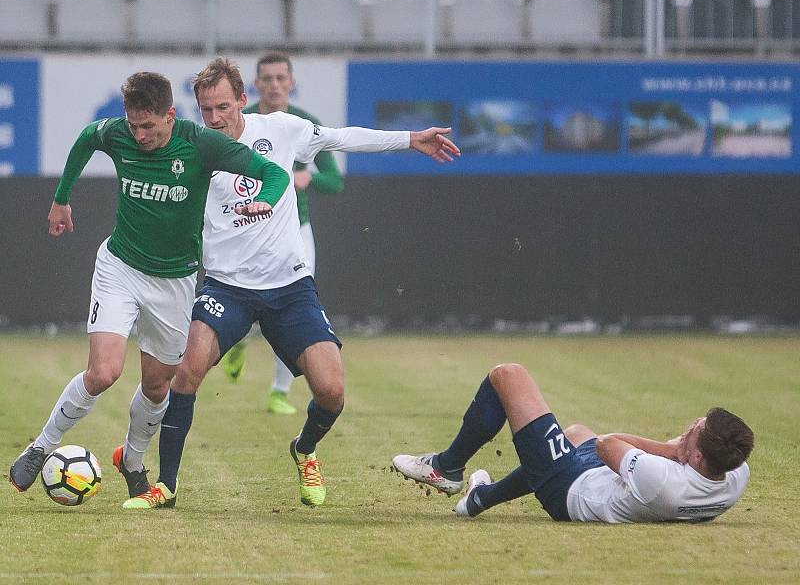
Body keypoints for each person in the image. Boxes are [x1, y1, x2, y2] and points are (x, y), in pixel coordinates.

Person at [120, 57, 459, 509]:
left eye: (223, 106)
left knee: (331, 390)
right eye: (206, 110)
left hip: (289, 287)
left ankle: (304, 449)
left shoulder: (281, 128)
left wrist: (411, 138)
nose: (216, 118)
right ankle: (168, 484)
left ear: (243, 100)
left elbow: (341, 137)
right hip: (226, 287)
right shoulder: (190, 147)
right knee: (187, 371)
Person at [8, 72, 289, 508]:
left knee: (158, 386)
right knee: (103, 372)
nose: (138, 135)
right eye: (133, 125)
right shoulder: (119, 133)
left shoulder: (201, 143)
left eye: (148, 127)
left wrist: (266, 199)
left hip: (174, 281)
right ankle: (42, 445)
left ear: (170, 116)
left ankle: (133, 461)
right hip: (120, 266)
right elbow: (86, 138)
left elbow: (271, 173)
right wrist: (61, 198)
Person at [393, 363, 753, 523]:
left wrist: (669, 449)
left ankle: (448, 467)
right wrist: (684, 447)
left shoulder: (661, 479)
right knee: (576, 432)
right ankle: (480, 499)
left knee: (508, 376)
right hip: (597, 480)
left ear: (696, 455)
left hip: (567, 489)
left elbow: (607, 444)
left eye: (696, 429)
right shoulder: (733, 474)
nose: (690, 425)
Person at [221, 51, 344, 416]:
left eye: (280, 78)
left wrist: (310, 177)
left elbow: (335, 181)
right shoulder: (241, 121)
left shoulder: (305, 122)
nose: (274, 85)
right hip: (247, 229)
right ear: (255, 85)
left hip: (294, 232)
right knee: (241, 294)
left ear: (291, 82)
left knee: (294, 303)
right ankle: (237, 338)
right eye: (267, 79)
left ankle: (279, 391)